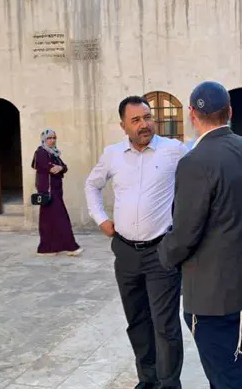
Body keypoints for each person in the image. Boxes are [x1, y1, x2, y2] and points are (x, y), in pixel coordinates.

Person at [158, 81, 242, 389]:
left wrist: (163, 254)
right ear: (230, 112)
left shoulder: (194, 162)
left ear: (192, 114)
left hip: (211, 292)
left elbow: (185, 233)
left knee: (225, 375)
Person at [85, 96, 186, 389]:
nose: (144, 125)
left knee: (165, 325)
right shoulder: (112, 155)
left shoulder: (173, 150)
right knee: (137, 321)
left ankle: (169, 384)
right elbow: (92, 185)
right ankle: (148, 379)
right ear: (123, 126)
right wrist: (100, 219)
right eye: (136, 120)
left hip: (161, 252)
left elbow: (206, 153)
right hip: (126, 251)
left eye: (147, 117)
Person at [31, 128, 83, 256]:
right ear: (44, 139)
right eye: (49, 138)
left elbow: (63, 167)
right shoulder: (41, 152)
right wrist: (57, 168)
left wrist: (60, 168)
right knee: (61, 218)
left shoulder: (54, 153)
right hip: (48, 191)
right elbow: (49, 168)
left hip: (56, 191)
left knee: (49, 220)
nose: (52, 140)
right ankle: (71, 247)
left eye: (54, 138)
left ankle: (47, 249)